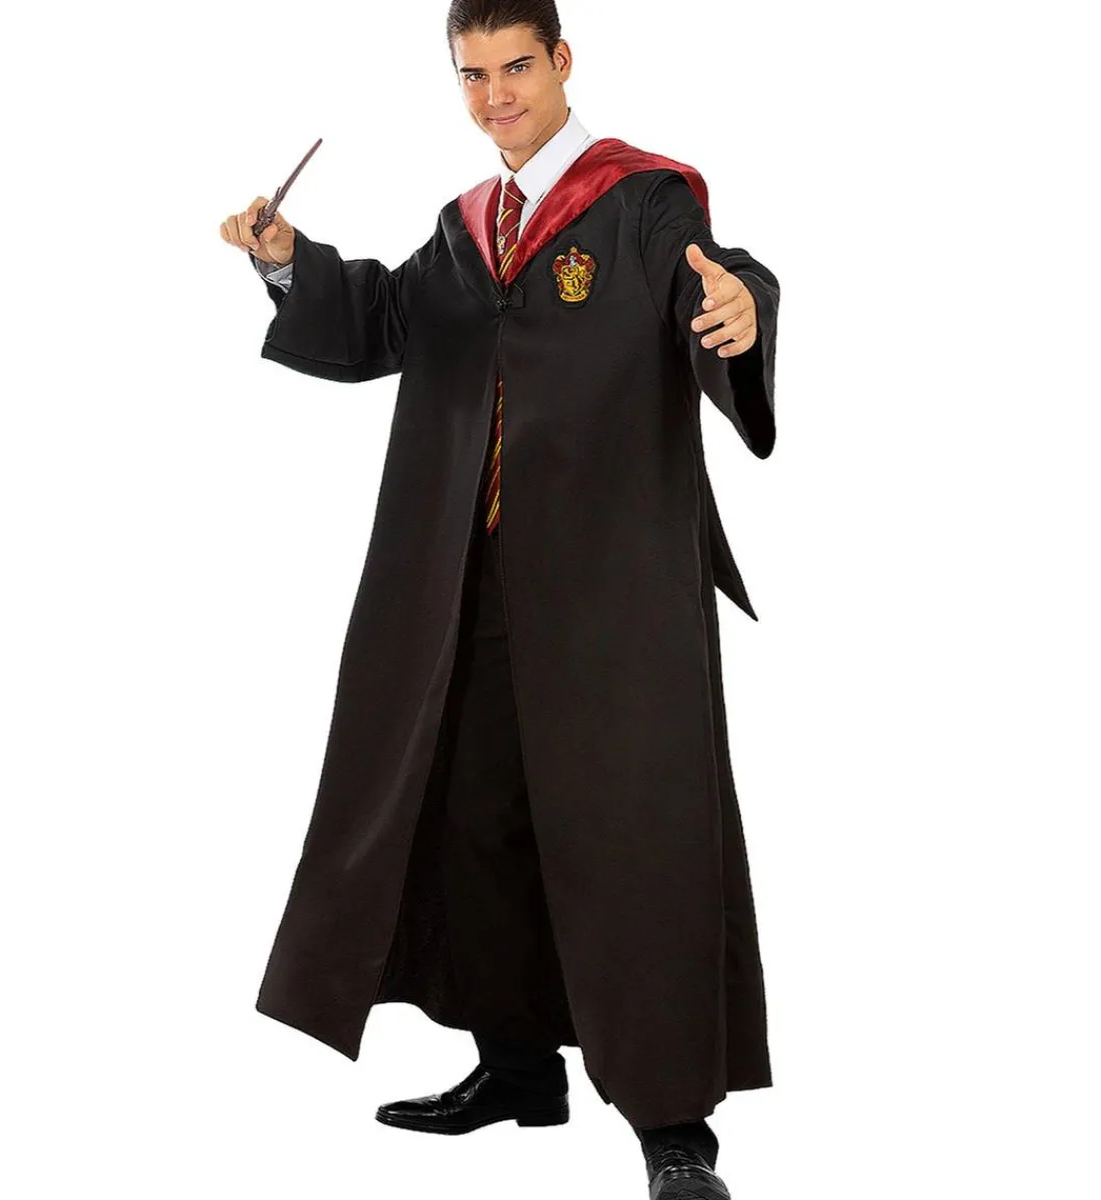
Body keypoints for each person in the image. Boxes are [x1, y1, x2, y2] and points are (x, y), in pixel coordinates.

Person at [219, 3, 779, 1197]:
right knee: (475, 822)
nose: (495, 96)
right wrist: (285, 260)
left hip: (611, 592)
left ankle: (673, 1125)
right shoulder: (467, 227)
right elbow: (385, 323)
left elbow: (713, 285)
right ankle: (517, 1066)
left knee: (633, 840)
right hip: (469, 582)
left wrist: (736, 315)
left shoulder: (643, 200)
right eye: (472, 75)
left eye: (516, 66)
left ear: (562, 62)